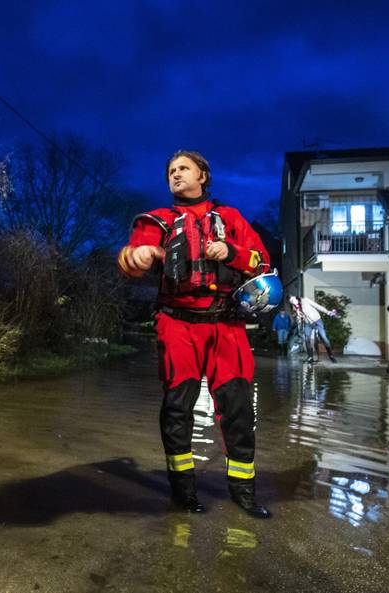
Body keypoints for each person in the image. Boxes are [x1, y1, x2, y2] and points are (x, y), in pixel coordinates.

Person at [117, 150, 271, 518]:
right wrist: (136, 257)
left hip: (226, 324)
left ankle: (244, 492)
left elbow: (261, 262)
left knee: (238, 409)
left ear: (202, 175)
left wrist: (231, 252)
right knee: (177, 408)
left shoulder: (231, 218)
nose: (175, 174)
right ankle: (183, 492)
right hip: (177, 323)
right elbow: (130, 260)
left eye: (183, 168)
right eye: (171, 170)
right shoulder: (157, 220)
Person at [289, 295, 337, 363]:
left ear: (296, 298)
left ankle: (331, 356)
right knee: (306, 339)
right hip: (308, 323)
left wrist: (327, 312)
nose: (293, 301)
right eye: (291, 301)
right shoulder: (295, 307)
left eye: (293, 299)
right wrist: (298, 317)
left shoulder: (305, 300)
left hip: (317, 321)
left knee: (324, 338)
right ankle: (310, 357)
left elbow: (317, 306)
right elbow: (299, 318)